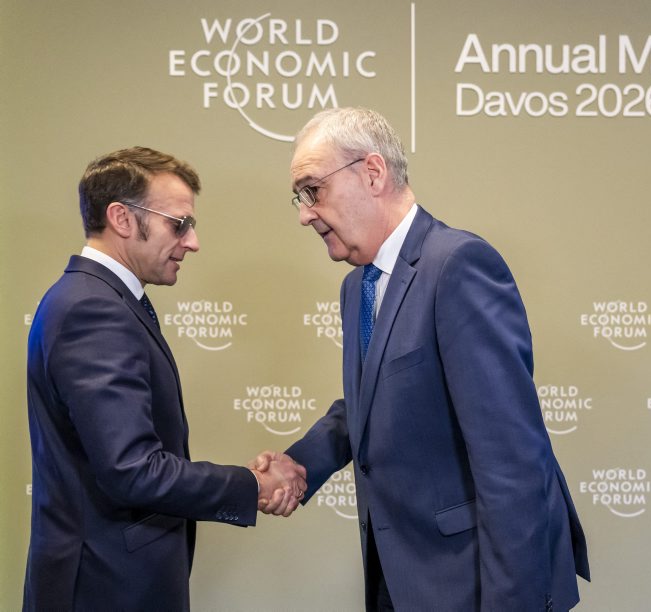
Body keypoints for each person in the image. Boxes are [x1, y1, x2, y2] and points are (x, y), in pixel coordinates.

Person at [256, 108, 590, 610]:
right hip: (400, 576)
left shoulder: (457, 265)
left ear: (372, 173)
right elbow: (372, 405)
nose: (304, 214)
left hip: (471, 582)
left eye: (313, 190)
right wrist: (300, 464)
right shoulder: (357, 286)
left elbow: (512, 460)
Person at [24, 147, 307, 612]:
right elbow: (133, 470)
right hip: (105, 589)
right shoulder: (93, 309)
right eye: (179, 224)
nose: (192, 242)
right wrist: (253, 486)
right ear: (121, 218)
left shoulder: (102, 299)